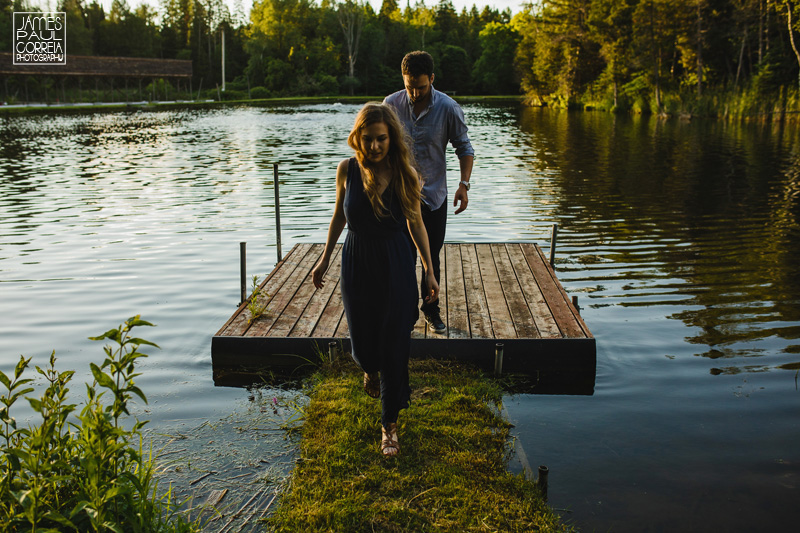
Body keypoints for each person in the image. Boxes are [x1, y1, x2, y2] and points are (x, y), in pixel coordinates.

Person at [311, 103, 439, 457]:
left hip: (396, 261)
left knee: (394, 341)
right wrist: (324, 259)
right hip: (357, 261)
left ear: (392, 137)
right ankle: (369, 369)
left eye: (381, 139)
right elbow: (339, 217)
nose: (375, 146)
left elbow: (416, 223)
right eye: (368, 139)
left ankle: (389, 427)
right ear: (358, 138)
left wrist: (429, 268)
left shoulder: (405, 174)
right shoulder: (346, 170)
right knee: (364, 341)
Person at [384, 50, 474, 333]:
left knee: (430, 258)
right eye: (409, 86)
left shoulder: (448, 108)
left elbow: (465, 148)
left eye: (420, 87)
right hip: (398, 196)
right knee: (401, 257)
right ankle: (406, 313)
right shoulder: (390, 105)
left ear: (432, 79)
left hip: (434, 197)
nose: (414, 92)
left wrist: (464, 184)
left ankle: (431, 311)